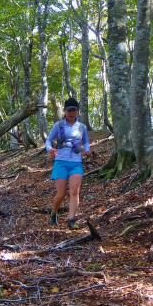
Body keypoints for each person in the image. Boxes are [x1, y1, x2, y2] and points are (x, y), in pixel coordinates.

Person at [45, 97, 92, 229]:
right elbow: (48, 140)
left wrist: (87, 150)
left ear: (77, 111)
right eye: (69, 110)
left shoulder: (82, 127)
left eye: (74, 110)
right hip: (60, 162)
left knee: (74, 191)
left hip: (76, 162)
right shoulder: (58, 125)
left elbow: (86, 141)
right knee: (61, 194)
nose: (71, 112)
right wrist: (50, 149)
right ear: (65, 111)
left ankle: (71, 219)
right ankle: (54, 212)